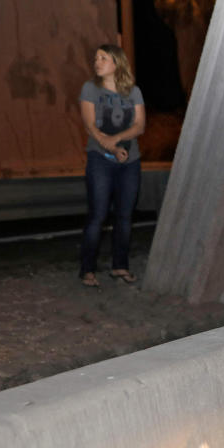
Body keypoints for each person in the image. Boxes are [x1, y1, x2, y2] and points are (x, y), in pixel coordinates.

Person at [78, 44, 145, 287]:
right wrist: (113, 148)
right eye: (95, 58)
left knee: (125, 216)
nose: (97, 62)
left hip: (130, 162)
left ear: (116, 63)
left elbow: (140, 125)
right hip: (100, 160)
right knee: (98, 215)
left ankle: (120, 266)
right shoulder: (90, 89)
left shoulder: (133, 91)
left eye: (103, 58)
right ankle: (87, 270)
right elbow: (90, 126)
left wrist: (117, 142)